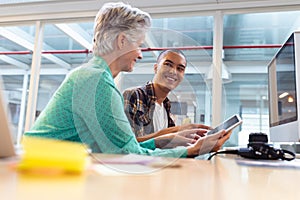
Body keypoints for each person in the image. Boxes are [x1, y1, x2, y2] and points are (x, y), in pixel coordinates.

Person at [25, 2, 231, 158]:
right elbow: (127, 156)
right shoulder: (96, 81)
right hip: (39, 170)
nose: (140, 54)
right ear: (122, 41)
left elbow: (122, 146)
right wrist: (190, 150)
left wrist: (164, 141)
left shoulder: (93, 75)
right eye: (139, 45)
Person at [123, 49, 210, 142]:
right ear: (156, 68)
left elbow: (167, 147)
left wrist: (197, 144)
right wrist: (174, 131)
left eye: (180, 68)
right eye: (168, 64)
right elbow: (128, 144)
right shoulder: (134, 95)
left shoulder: (166, 107)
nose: (173, 72)